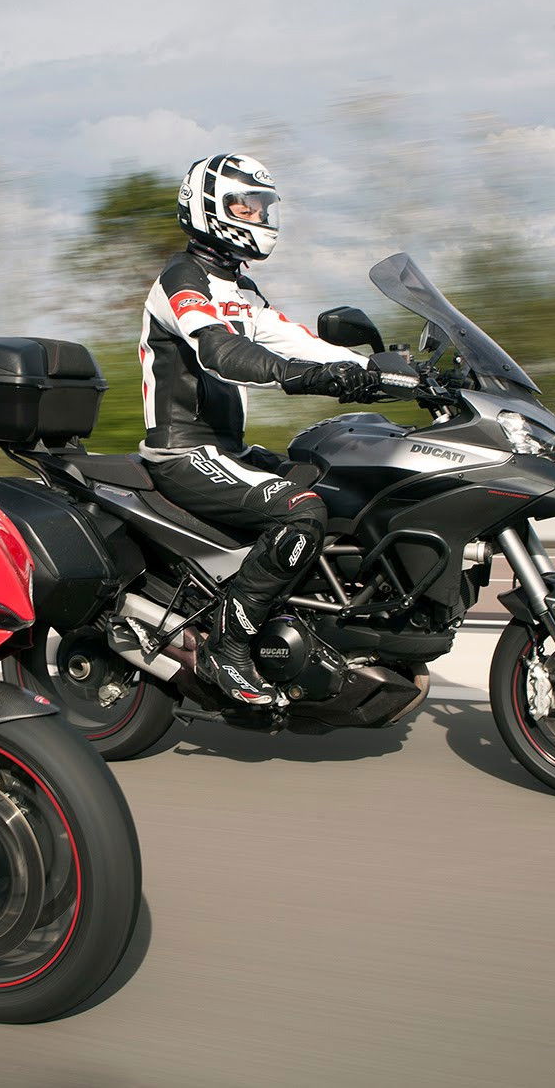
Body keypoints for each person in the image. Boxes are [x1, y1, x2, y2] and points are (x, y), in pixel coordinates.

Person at [139, 153, 378, 708]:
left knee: (340, 486)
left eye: (262, 205)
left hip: (231, 449)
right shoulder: (181, 279)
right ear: (207, 206)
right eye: (246, 204)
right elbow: (222, 352)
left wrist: (382, 369)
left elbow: (296, 340)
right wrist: (304, 376)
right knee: (300, 510)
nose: (257, 215)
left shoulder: (240, 288)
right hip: (183, 452)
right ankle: (228, 643)